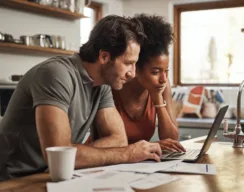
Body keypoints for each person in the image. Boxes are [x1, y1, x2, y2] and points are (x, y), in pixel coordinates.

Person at [0, 15, 162, 181]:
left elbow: (118, 139)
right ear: (104, 57)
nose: (133, 73)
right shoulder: (56, 74)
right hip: (14, 180)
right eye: (128, 63)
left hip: (55, 175)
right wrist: (127, 154)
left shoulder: (103, 85)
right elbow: (59, 155)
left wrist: (77, 154)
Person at [112, 14, 185, 153]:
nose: (164, 79)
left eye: (166, 70)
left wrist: (157, 99)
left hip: (137, 164)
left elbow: (172, 140)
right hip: (104, 163)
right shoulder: (114, 86)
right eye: (156, 72)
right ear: (136, 68)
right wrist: (150, 146)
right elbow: (106, 142)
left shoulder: (162, 86)